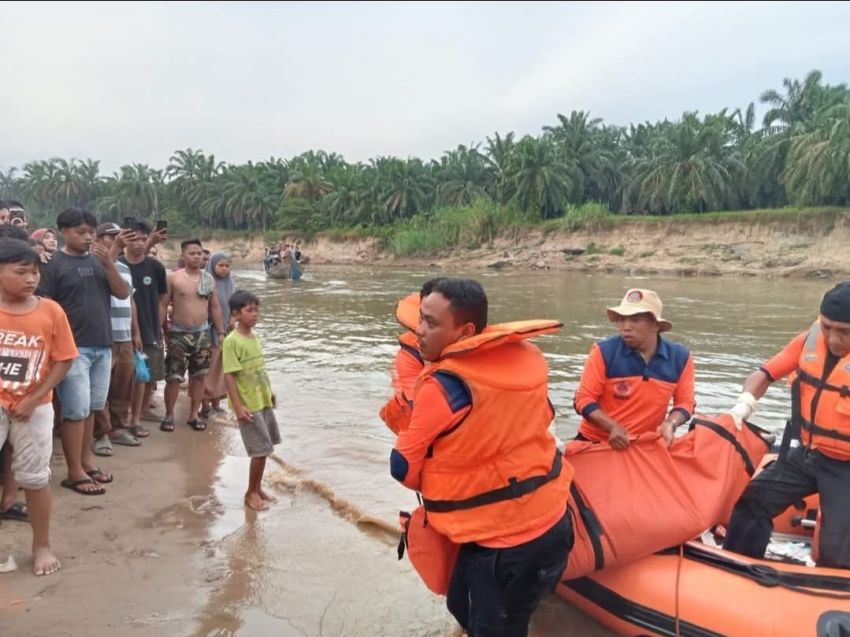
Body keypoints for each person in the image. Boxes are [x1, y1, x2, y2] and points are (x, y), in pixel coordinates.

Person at [391, 278, 572, 636]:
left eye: (431, 323)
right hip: (550, 522)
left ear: (467, 330)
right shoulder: (527, 357)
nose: (419, 332)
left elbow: (402, 467)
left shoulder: (444, 386)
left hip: (512, 544)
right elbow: (543, 417)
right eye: (420, 320)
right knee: (460, 603)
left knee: (496, 626)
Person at [724, 282, 850, 568]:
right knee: (752, 502)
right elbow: (765, 373)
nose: (832, 339)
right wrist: (743, 404)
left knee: (836, 548)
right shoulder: (807, 342)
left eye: (844, 331)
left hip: (846, 467)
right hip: (806, 455)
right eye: (827, 327)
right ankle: (737, 569)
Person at [0, 238, 78, 574]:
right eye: (21, 272)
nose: (31, 278)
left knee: (34, 477)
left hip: (36, 405)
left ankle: (42, 545)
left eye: (34, 272)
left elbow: (63, 360)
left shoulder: (50, 311)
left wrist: (33, 398)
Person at [41, 208, 131, 495]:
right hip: (72, 348)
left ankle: (86, 461)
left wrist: (109, 264)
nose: (88, 236)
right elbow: (44, 306)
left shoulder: (99, 261)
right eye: (80, 231)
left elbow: (122, 293)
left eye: (91, 231)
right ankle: (74, 471)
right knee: (75, 411)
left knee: (91, 407)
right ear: (63, 232)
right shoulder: (53, 264)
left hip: (102, 344)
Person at [573, 288, 695, 449]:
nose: (626, 327)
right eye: (622, 319)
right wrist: (612, 427)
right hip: (595, 442)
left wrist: (670, 423)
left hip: (644, 445)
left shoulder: (681, 357)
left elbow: (686, 403)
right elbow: (583, 399)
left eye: (635, 320)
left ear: (655, 325)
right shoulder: (603, 351)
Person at [222, 290, 279, 511]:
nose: (255, 314)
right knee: (259, 450)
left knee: (265, 447)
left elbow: (259, 369)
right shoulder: (232, 341)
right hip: (248, 405)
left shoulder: (254, 337)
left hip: (261, 399)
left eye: (257, 310)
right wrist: (238, 406)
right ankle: (250, 493)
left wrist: (269, 392)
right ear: (236, 314)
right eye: (249, 310)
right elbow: (229, 375)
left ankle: (257, 487)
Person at [159, 239, 223, 432]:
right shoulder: (173, 278)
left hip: (202, 334)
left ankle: (193, 415)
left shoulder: (208, 279)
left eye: (200, 253)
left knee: (200, 376)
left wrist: (220, 332)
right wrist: (159, 329)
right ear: (183, 256)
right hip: (179, 333)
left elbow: (215, 307)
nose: (197, 256)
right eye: (192, 253)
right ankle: (169, 415)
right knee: (174, 377)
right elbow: (163, 304)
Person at [91, 223, 144, 455]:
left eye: (120, 236)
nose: (118, 240)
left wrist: (135, 332)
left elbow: (129, 300)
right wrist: (113, 251)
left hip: (124, 335)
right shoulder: (90, 264)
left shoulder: (123, 267)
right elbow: (99, 278)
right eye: (112, 237)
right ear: (98, 239)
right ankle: (101, 433)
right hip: (102, 335)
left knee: (124, 384)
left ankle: (118, 427)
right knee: (100, 388)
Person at [120, 221, 167, 436]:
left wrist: (158, 327)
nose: (139, 243)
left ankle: (139, 415)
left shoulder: (155, 267)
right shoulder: (118, 266)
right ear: (124, 239)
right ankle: (123, 417)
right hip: (122, 329)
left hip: (149, 328)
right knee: (124, 377)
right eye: (135, 238)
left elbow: (160, 299)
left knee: (146, 374)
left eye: (143, 238)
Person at [201, 252, 234, 418]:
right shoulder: (206, 281)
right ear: (213, 266)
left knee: (222, 368)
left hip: (226, 332)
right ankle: (205, 404)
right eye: (221, 265)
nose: (224, 269)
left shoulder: (230, 283)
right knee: (209, 368)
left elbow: (233, 304)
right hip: (210, 331)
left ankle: (217, 402)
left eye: (227, 266)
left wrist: (232, 319)